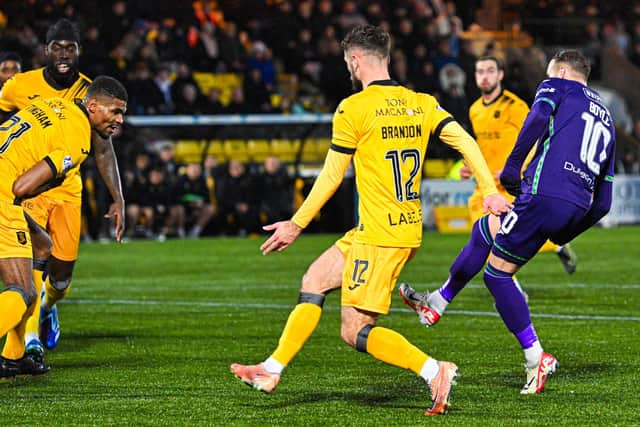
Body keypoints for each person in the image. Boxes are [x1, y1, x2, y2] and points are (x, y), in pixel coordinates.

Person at [230, 25, 511, 416]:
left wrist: (297, 223)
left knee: (353, 330)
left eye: (348, 62)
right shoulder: (421, 102)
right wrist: (491, 189)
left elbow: (331, 176)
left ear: (355, 60)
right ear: (388, 59)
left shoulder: (354, 108)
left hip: (381, 236)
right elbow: (465, 141)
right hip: (391, 229)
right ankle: (271, 369)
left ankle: (434, 371)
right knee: (313, 280)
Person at [400, 50, 615, 394]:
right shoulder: (606, 116)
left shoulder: (556, 85)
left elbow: (536, 119)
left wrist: (514, 167)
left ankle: (536, 357)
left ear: (560, 71)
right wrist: (566, 232)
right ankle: (436, 305)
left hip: (543, 193)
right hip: (574, 206)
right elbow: (604, 202)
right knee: (486, 228)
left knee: (496, 274)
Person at [0, 19, 127, 359]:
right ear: (46, 49)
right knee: (23, 286)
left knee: (53, 265)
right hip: (20, 188)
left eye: (70, 47)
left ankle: (17, 351)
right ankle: (27, 344)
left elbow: (103, 149)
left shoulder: (74, 98)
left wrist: (118, 198)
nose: (63, 53)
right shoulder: (20, 87)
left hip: (59, 189)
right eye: (57, 46)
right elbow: (22, 185)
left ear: (79, 51)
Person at [462, 56, 578, 273]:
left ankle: (511, 292)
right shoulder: (474, 109)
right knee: (489, 240)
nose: (484, 76)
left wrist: (517, 169)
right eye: (480, 72)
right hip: (485, 188)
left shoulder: (515, 106)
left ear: (500, 75)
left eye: (489, 71)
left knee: (499, 243)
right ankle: (556, 246)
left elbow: (535, 139)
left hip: (509, 186)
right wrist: (472, 165)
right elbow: (481, 145)